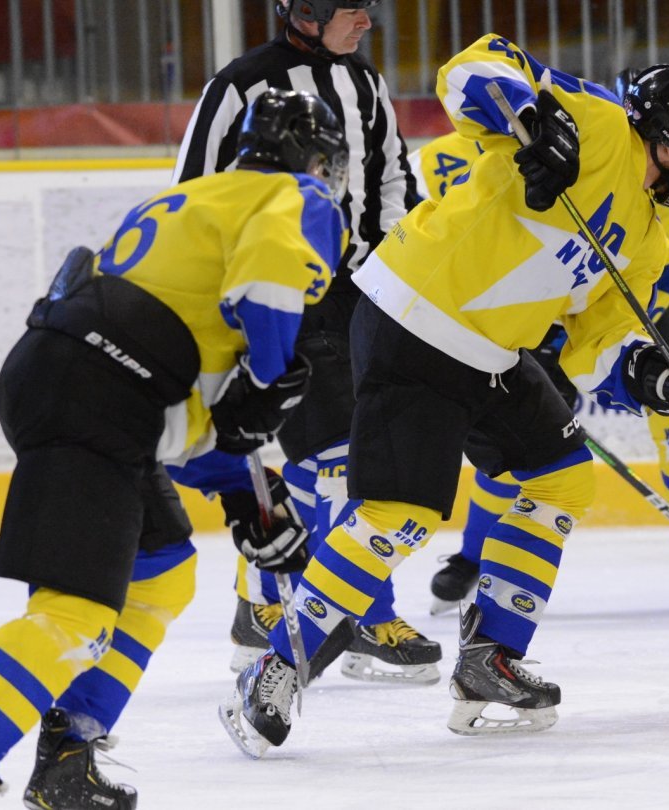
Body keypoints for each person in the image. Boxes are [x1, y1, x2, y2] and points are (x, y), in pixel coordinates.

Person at [219, 35, 669, 756]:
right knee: (399, 515)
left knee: (559, 477)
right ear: (667, 134)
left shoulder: (655, 229)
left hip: (491, 353)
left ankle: (487, 660)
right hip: (416, 314)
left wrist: (659, 369)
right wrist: (531, 116)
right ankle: (273, 669)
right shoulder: (594, 120)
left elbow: (598, 342)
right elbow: (475, 66)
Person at [0, 88, 348, 809]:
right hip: (98, 394)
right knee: (76, 612)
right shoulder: (294, 197)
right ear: (315, 159)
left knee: (159, 572)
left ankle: (68, 759)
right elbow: (271, 280)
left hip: (78, 382)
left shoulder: (191, 201)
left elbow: (164, 414)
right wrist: (269, 379)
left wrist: (247, 495)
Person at [416, 68, 669, 616]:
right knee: (516, 435)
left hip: (626, 309)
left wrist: (620, 355)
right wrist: (544, 339)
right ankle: (474, 555)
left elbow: (652, 286)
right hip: (528, 304)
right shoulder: (466, 151)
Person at [173, 0, 438, 683]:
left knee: (342, 450)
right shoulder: (241, 84)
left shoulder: (366, 82)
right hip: (277, 286)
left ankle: (259, 603)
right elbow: (193, 192)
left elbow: (391, 182)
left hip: (358, 290)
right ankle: (364, 615)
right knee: (340, 454)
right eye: (355, 10)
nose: (369, 23)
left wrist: (400, 270)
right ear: (311, 11)